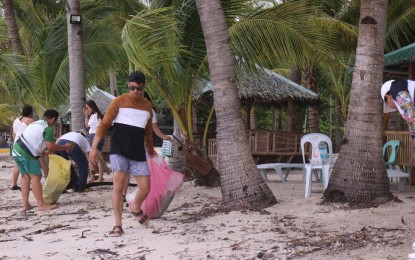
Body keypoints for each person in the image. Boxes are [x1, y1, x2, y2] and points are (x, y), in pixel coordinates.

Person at [89, 71, 155, 237]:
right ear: (128, 85)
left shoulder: (147, 106)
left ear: (143, 87)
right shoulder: (119, 101)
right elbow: (104, 125)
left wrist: (151, 150)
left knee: (146, 188)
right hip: (119, 149)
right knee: (118, 187)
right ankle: (118, 225)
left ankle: (135, 206)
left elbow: (148, 133)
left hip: (138, 151)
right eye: (132, 87)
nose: (135, 91)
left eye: (138, 88)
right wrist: (94, 147)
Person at [12, 109, 74, 211]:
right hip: (26, 152)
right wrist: (65, 147)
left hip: (16, 150)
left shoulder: (36, 123)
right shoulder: (47, 128)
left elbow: (34, 140)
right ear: (53, 119)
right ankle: (41, 205)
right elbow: (51, 146)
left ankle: (25, 205)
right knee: (36, 177)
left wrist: (44, 153)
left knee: (25, 178)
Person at [381, 79, 415, 164]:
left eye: (388, 104)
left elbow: (411, 117)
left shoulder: (396, 88)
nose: (392, 108)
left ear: (388, 97)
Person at [84, 100, 109, 182]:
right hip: (92, 136)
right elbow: (87, 126)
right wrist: (86, 116)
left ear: (92, 107)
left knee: (98, 158)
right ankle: (93, 176)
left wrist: (96, 139)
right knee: (91, 158)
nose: (87, 109)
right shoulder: (92, 116)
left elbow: (99, 128)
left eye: (87, 107)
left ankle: (100, 177)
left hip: (96, 137)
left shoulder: (97, 116)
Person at [11, 105, 34, 191]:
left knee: (18, 165)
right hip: (25, 145)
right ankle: (26, 186)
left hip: (16, 144)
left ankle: (14, 184)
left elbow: (14, 133)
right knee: (27, 165)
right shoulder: (30, 120)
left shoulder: (16, 120)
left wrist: (15, 143)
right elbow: (33, 133)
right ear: (31, 112)